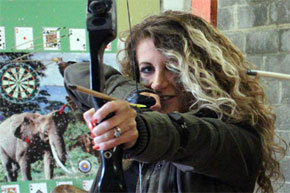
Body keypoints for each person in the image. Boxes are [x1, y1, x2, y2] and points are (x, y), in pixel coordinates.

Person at [64, 10, 286, 193]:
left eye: (173, 67)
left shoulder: (236, 139)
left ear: (203, 72)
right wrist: (130, 96)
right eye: (147, 70)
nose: (158, 83)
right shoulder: (136, 109)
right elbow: (75, 72)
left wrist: (140, 131)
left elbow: (187, 136)